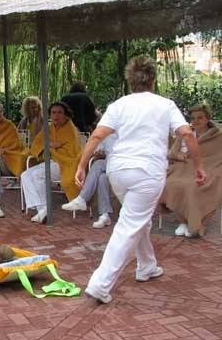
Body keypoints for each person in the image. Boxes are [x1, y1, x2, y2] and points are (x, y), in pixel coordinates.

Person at [77, 56, 205, 304]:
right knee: (129, 225)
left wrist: (82, 166)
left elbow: (96, 136)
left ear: (130, 81)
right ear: (153, 80)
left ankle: (146, 266)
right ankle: (100, 284)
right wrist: (199, 165)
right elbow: (187, 133)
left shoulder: (118, 105)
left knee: (137, 219)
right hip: (147, 172)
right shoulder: (165, 104)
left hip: (118, 171)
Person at [160, 103, 222, 237]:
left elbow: (217, 157)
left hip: (208, 170)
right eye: (193, 118)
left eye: (200, 117)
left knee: (194, 187)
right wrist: (179, 155)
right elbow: (171, 153)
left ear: (208, 118)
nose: (196, 121)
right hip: (182, 169)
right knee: (168, 184)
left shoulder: (217, 136)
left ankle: (197, 224)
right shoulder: (186, 133)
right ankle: (183, 220)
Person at [21, 102, 82, 224]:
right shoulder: (49, 128)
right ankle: (42, 209)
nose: (56, 115)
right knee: (25, 175)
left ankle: (43, 209)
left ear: (65, 115)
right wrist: (50, 145)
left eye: (60, 112)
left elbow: (70, 151)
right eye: (53, 112)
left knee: (38, 176)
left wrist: (51, 146)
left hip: (66, 164)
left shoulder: (70, 128)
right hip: (52, 162)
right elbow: (37, 144)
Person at [62, 134, 117, 229]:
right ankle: (105, 215)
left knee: (98, 164)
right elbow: (98, 149)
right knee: (102, 178)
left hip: (126, 165)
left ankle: (82, 198)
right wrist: (98, 153)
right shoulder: (107, 134)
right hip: (110, 167)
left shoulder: (127, 130)